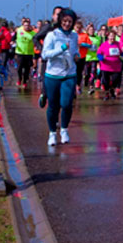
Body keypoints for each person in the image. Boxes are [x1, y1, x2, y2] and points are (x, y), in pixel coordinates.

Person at [42, 8, 80, 146]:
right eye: (64, 21)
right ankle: (52, 133)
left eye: (70, 21)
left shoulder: (74, 36)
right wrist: (61, 49)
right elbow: (45, 54)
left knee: (66, 104)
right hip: (53, 75)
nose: (67, 24)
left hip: (69, 74)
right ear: (60, 21)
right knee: (53, 106)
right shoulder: (52, 35)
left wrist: (77, 55)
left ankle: (64, 129)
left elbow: (75, 50)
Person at [33, 6, 63, 108]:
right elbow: (36, 38)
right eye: (57, 14)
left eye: (61, 14)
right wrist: (42, 49)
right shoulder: (48, 27)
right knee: (46, 80)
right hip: (48, 59)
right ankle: (44, 95)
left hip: (59, 60)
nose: (59, 17)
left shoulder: (64, 29)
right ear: (53, 16)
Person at [96, 31, 122, 100]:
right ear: (108, 37)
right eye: (111, 36)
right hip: (105, 66)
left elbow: (122, 53)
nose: (112, 38)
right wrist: (101, 58)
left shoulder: (118, 44)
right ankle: (107, 94)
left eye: (113, 36)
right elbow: (98, 54)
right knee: (105, 81)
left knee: (115, 80)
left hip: (116, 67)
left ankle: (112, 90)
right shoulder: (104, 45)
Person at [15, 18, 36, 88]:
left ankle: (24, 81)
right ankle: (19, 79)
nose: (26, 27)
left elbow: (36, 41)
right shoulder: (19, 31)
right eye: (25, 25)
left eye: (27, 25)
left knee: (27, 69)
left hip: (29, 53)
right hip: (20, 52)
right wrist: (12, 42)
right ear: (23, 26)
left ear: (29, 26)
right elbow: (13, 37)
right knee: (19, 68)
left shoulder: (33, 34)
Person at [75, 21, 92, 95]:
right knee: (73, 72)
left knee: (79, 72)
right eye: (77, 27)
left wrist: (82, 44)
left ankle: (78, 85)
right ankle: (74, 86)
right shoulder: (72, 34)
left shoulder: (84, 35)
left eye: (79, 28)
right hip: (73, 57)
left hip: (82, 57)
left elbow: (90, 45)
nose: (78, 29)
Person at [84, 24, 101, 95]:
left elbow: (100, 47)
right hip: (86, 58)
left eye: (92, 30)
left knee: (93, 73)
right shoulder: (86, 36)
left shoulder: (98, 38)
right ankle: (86, 83)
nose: (91, 31)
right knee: (86, 73)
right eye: (90, 30)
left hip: (94, 58)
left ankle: (91, 87)